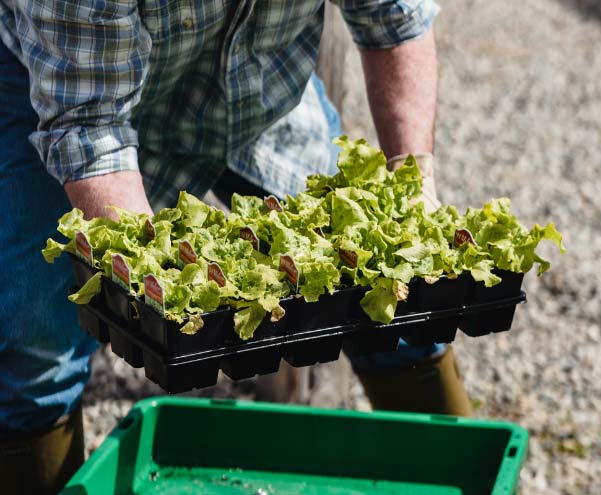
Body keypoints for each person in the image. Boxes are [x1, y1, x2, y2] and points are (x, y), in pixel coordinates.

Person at [0, 1, 471, 492]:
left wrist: (415, 184)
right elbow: (90, 126)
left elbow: (396, 23)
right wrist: (156, 277)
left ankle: (462, 474)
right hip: (65, 82)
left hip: (261, 85)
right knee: (35, 343)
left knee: (391, 289)